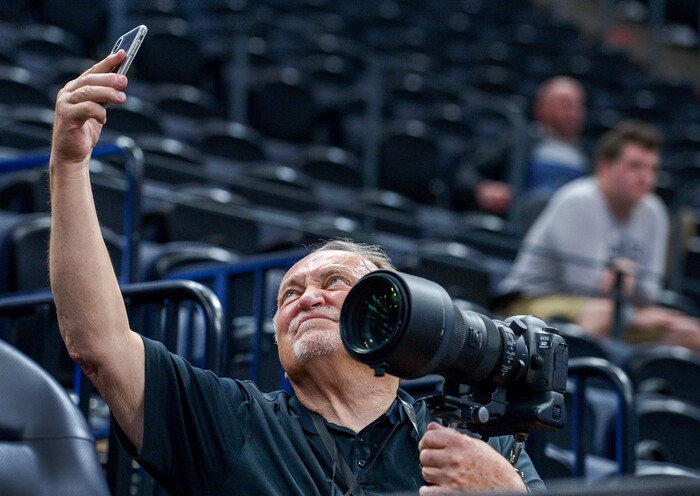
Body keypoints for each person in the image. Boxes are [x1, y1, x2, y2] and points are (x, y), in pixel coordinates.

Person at [48, 50, 545, 495]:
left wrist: (507, 491)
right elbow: (99, 345)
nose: (306, 299)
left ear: (394, 322)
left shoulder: (468, 447)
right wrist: (69, 166)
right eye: (288, 294)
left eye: (334, 284)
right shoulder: (233, 420)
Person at [497, 120, 700, 351]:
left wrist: (625, 283)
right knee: (602, 314)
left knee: (691, 333)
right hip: (530, 303)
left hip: (611, 311)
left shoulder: (655, 212)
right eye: (635, 166)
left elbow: (649, 294)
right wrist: (637, 313)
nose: (647, 178)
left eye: (653, 169)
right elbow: (585, 287)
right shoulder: (579, 201)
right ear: (604, 167)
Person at [451, 76, 588, 217]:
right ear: (541, 107)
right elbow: (467, 173)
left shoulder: (588, 157)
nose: (574, 112)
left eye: (579, 105)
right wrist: (484, 189)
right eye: (565, 104)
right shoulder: (520, 141)